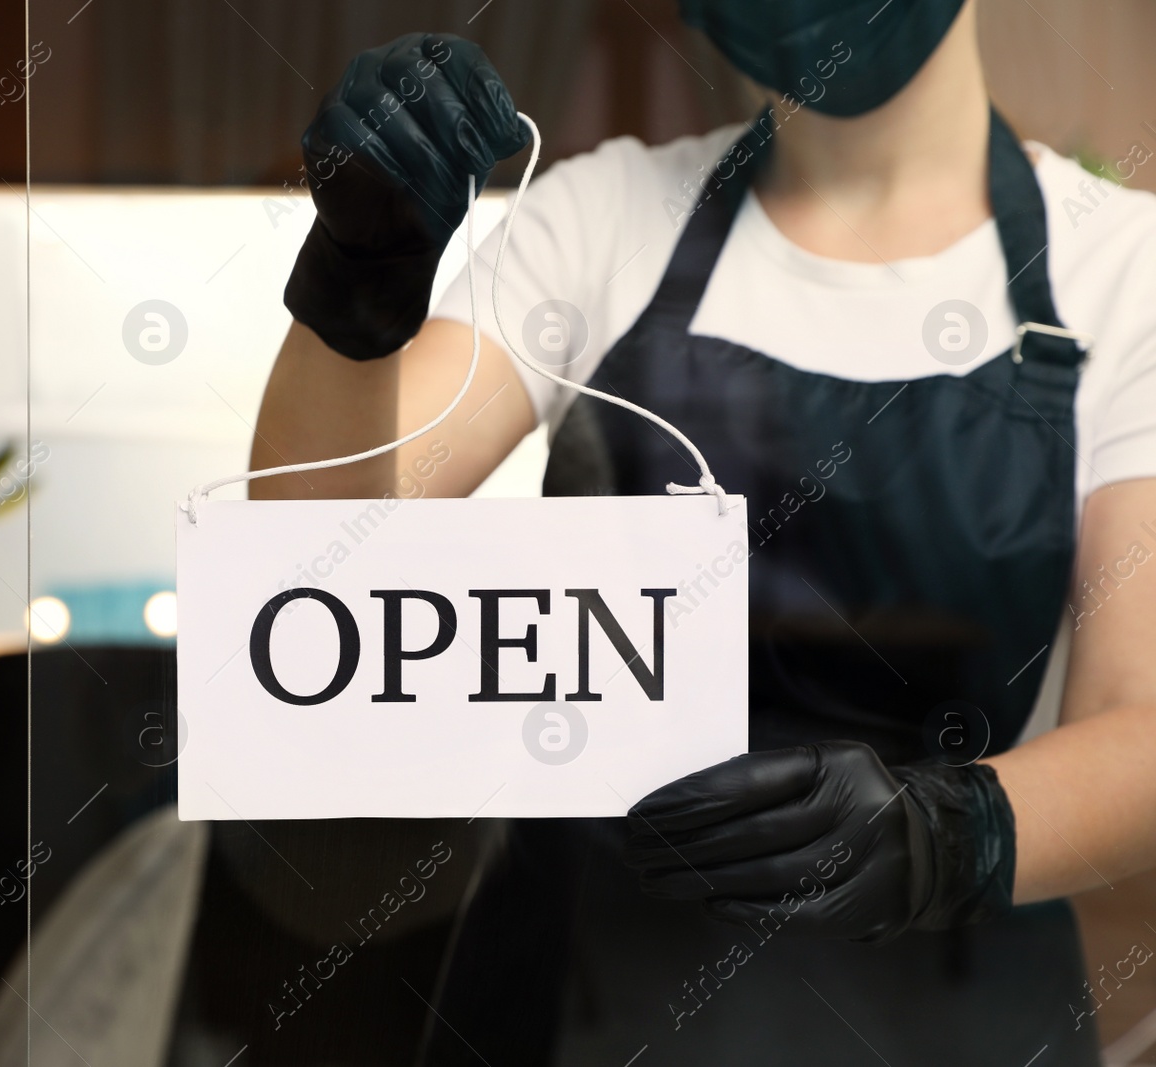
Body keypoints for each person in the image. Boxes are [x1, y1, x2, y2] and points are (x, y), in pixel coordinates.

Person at [250, 3, 1156, 1064]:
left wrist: (946, 833)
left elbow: (1136, 722)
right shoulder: (604, 218)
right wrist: (354, 290)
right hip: (573, 1005)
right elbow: (310, 566)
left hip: (946, 1013)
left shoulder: (1123, 270)